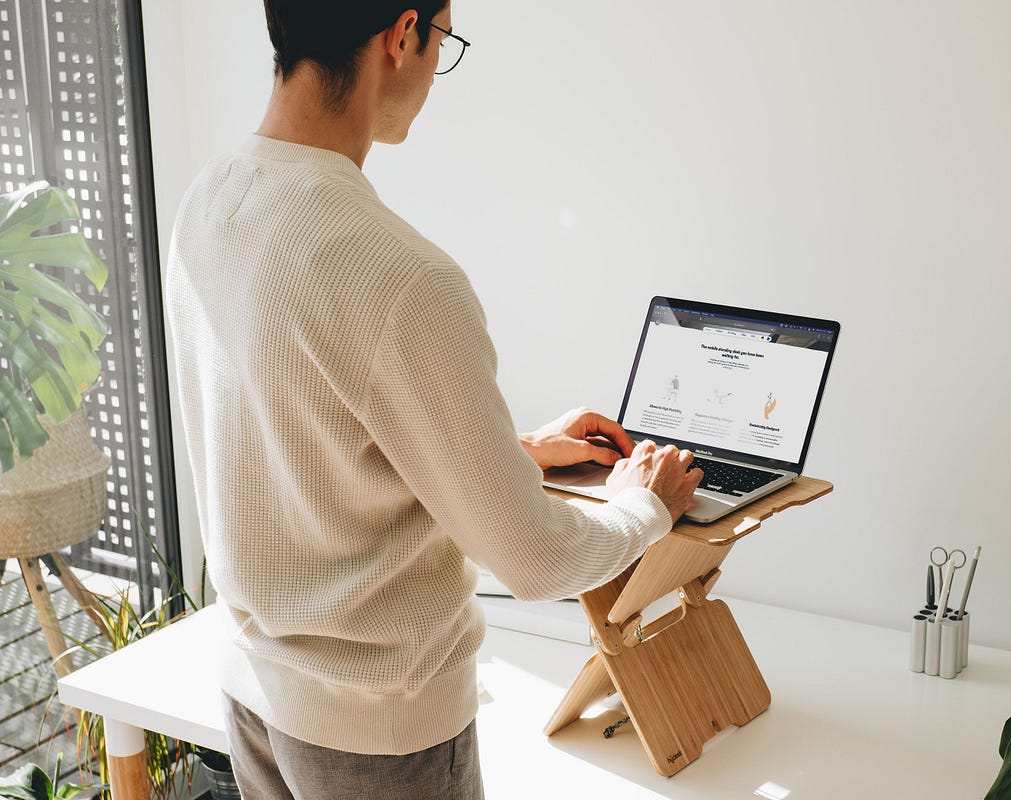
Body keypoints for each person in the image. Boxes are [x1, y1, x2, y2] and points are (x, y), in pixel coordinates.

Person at [163, 2, 703, 798]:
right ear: (402, 35)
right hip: (380, 735)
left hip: (255, 700)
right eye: (445, 40)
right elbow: (538, 560)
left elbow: (299, 438)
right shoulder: (403, 277)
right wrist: (643, 506)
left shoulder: (207, 205)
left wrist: (500, 453)